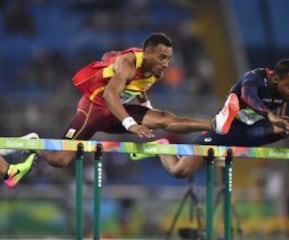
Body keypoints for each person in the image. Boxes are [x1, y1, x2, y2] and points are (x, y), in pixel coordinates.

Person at [3, 32, 238, 188]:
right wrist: (131, 124)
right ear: (147, 54)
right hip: (94, 109)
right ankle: (34, 141)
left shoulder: (154, 70)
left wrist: (147, 112)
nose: (166, 63)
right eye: (162, 57)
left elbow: (140, 90)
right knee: (59, 160)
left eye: (169, 58)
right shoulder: (128, 62)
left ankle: (214, 123)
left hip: (117, 113)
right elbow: (109, 94)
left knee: (164, 118)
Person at [132, 58, 289, 178]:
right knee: (180, 172)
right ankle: (162, 147)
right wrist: (270, 116)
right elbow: (248, 97)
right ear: (275, 77)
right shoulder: (254, 79)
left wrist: (281, 124)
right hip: (226, 130)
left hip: (252, 133)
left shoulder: (282, 92)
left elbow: (281, 120)